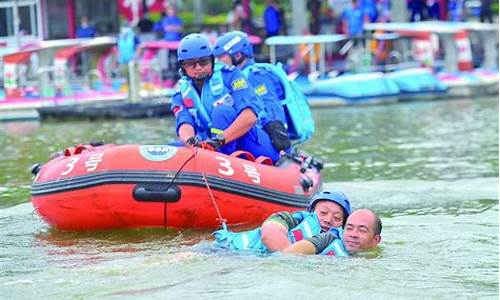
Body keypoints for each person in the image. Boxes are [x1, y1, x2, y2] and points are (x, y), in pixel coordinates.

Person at [171, 33, 281, 163]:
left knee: (221, 112)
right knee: (170, 149)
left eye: (203, 62)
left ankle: (219, 162)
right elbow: (184, 122)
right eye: (191, 64)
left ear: (212, 60)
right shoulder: (180, 91)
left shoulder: (230, 75)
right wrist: (190, 141)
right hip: (212, 143)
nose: (199, 67)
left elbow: (249, 116)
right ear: (183, 67)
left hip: (250, 140)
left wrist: (219, 140)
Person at [213, 31, 315, 151]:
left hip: (270, 137)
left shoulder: (255, 75)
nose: (217, 63)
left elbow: (270, 107)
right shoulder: (236, 77)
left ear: (238, 55)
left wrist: (278, 136)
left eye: (221, 57)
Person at [213, 190, 352, 253]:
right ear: (311, 211)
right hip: (224, 250)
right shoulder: (289, 218)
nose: (328, 220)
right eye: (323, 213)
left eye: (337, 218)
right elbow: (269, 233)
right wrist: (290, 257)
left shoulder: (337, 242)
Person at [284, 208, 382, 256]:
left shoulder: (378, 258)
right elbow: (289, 254)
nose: (353, 234)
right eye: (349, 228)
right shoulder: (327, 239)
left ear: (376, 240)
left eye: (362, 230)